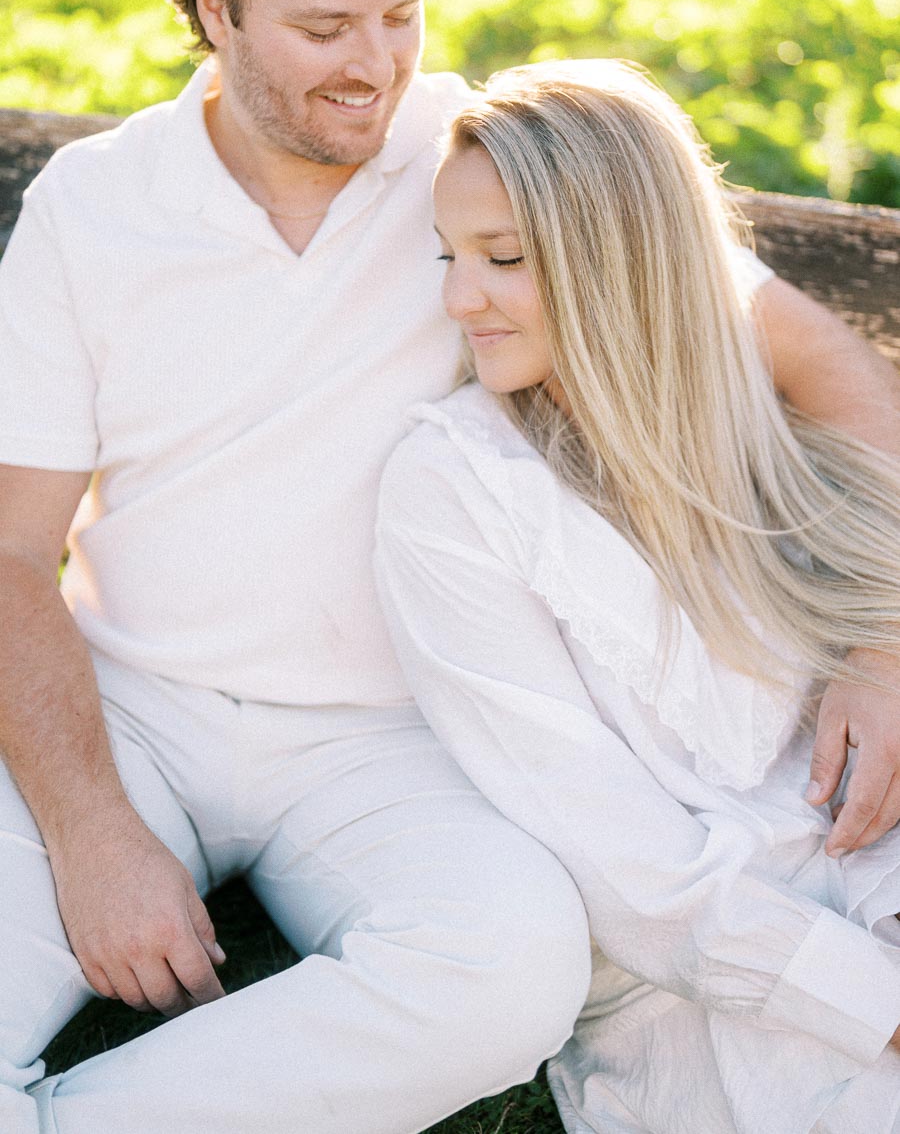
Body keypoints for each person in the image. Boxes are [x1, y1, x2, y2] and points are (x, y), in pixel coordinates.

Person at [0, 0, 897, 1129]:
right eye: (321, 27)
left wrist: (882, 638)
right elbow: (14, 551)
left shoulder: (483, 177)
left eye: (399, 14)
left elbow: (818, 357)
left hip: (403, 740)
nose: (375, 65)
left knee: (511, 972)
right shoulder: (95, 207)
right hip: (137, 704)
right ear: (209, 3)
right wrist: (89, 827)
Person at [374, 58, 900, 1134]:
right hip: (718, 988)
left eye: (503, 259)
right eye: (451, 255)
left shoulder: (745, 413)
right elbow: (637, 882)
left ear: (621, 260)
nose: (457, 298)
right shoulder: (450, 493)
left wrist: (882, 647)